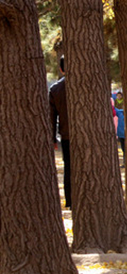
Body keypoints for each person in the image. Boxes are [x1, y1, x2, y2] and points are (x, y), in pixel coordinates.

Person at [49, 56, 71, 210]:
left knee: (69, 168)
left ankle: (70, 200)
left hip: (66, 135)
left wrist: (52, 139)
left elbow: (51, 117)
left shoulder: (55, 89)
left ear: (61, 69)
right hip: (89, 137)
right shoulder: (89, 85)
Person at [114, 90, 125, 157]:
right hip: (121, 135)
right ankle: (125, 161)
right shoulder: (120, 113)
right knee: (123, 148)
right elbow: (114, 109)